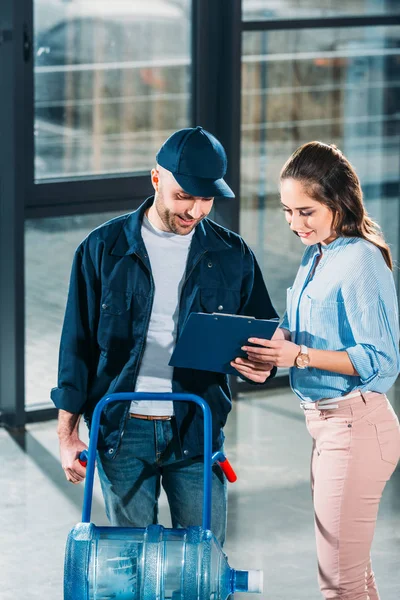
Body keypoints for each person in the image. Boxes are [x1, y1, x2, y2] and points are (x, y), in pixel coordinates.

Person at [51, 126, 277, 545]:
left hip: (196, 427)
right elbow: (76, 347)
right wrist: (67, 436)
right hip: (121, 430)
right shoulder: (102, 250)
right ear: (156, 178)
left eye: (205, 199)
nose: (194, 210)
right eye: (183, 196)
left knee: (203, 566)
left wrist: (262, 365)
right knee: (133, 569)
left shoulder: (233, 256)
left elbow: (263, 337)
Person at [233, 141, 400, 599]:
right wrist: (274, 345)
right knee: (354, 580)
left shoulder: (362, 260)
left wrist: (299, 358)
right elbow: (310, 330)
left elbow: (383, 361)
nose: (294, 224)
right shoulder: (318, 253)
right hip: (328, 428)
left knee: (338, 586)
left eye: (306, 211)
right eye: (288, 211)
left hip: (357, 426)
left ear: (337, 201)